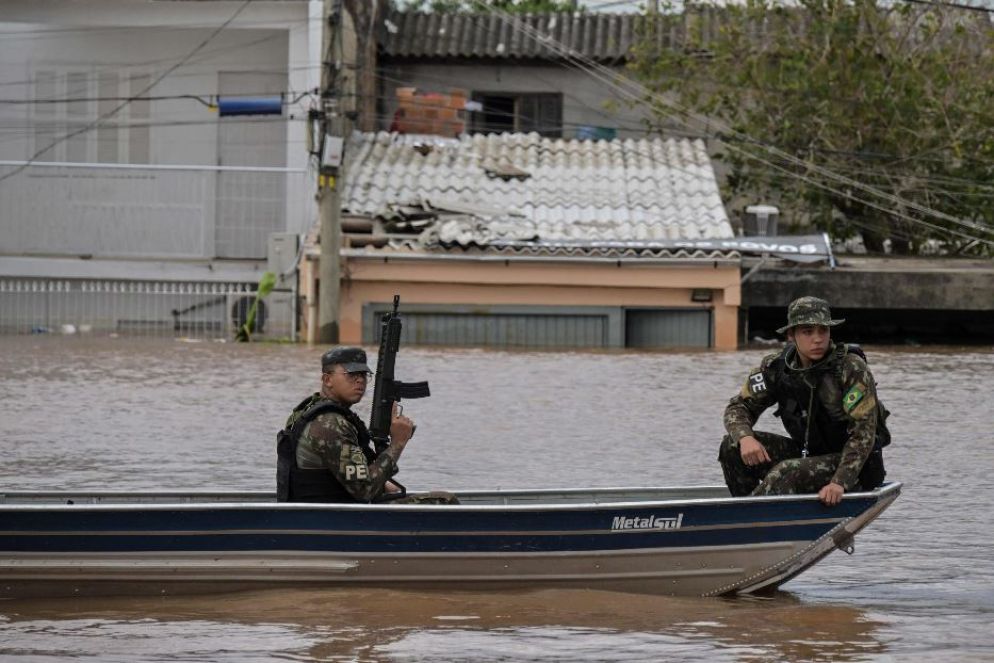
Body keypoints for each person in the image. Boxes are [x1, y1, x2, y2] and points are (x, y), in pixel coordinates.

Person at [718, 296, 888, 506]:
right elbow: (738, 407)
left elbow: (864, 433)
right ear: (792, 335)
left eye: (823, 331)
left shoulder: (850, 368)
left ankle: (746, 520)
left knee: (786, 472)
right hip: (807, 456)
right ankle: (751, 512)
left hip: (853, 466)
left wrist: (839, 482)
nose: (817, 339)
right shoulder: (776, 368)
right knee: (731, 446)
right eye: (808, 332)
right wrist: (745, 438)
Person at [276, 346, 457, 504]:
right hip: (334, 519)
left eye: (363, 374)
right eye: (351, 374)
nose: (360, 380)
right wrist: (398, 443)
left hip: (325, 512)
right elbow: (365, 490)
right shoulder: (330, 424)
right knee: (445, 501)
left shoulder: (312, 412)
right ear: (327, 380)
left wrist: (382, 483)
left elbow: (344, 474)